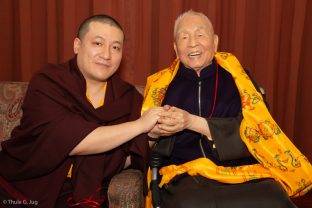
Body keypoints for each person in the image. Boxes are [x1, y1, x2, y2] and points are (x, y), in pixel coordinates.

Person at [143, 10, 312, 208]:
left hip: (242, 170)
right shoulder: (160, 86)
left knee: (275, 200)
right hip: (185, 175)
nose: (192, 43)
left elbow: (256, 132)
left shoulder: (239, 80)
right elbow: (149, 142)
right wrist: (154, 133)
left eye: (200, 34)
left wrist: (193, 122)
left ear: (215, 42)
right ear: (175, 47)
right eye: (184, 37)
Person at [0, 14, 162, 207]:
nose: (107, 55)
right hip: (26, 183)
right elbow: (70, 141)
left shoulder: (127, 98)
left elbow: (126, 157)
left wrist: (151, 135)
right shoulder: (48, 82)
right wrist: (140, 126)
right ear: (77, 45)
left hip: (81, 193)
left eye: (116, 47)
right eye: (98, 43)